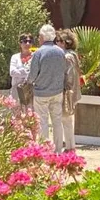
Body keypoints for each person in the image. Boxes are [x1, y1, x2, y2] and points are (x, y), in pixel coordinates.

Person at [26, 24, 65, 152]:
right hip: (57, 91)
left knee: (42, 121)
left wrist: (28, 82)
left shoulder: (38, 52)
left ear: (42, 37)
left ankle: (45, 150)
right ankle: (58, 150)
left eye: (39, 36)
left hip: (41, 92)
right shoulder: (60, 51)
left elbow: (32, 75)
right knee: (57, 121)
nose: (38, 38)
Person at [57, 29, 81, 151]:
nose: (56, 43)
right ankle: (70, 146)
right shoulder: (73, 55)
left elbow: (69, 75)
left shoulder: (67, 56)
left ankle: (70, 147)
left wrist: (65, 88)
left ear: (65, 42)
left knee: (65, 119)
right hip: (72, 92)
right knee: (68, 120)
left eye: (59, 40)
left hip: (66, 92)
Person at [9, 33, 34, 110]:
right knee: (17, 113)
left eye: (30, 41)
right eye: (25, 41)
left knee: (31, 114)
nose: (27, 43)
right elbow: (12, 72)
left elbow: (36, 72)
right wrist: (27, 72)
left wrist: (20, 72)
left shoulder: (35, 56)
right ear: (20, 43)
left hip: (30, 90)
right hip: (16, 90)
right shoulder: (15, 57)